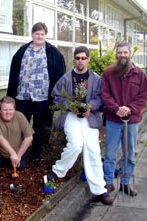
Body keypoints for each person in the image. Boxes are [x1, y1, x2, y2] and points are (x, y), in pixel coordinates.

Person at [47, 46, 114, 205]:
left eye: (83, 58)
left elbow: (101, 98)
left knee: (93, 151)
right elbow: (56, 96)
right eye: (77, 58)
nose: (80, 61)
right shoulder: (66, 78)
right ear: (74, 60)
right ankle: (57, 171)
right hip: (71, 115)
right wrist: (71, 105)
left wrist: (89, 107)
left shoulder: (97, 79)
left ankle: (100, 190)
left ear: (88, 59)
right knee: (76, 145)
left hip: (89, 117)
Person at [7, 22, 66, 164]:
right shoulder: (22, 51)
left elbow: (60, 75)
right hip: (23, 96)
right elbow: (13, 73)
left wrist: (56, 96)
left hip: (43, 98)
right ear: (32, 34)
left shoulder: (53, 53)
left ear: (45, 35)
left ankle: (37, 152)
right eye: (37, 33)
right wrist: (10, 95)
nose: (39, 36)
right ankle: (20, 153)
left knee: (41, 127)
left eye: (42, 34)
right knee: (21, 126)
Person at [102, 42, 147, 196]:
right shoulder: (109, 73)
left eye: (125, 52)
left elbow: (143, 96)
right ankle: (108, 182)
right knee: (110, 153)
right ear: (116, 54)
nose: (122, 55)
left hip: (132, 121)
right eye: (119, 52)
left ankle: (125, 183)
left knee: (129, 153)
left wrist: (129, 108)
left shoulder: (139, 74)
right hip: (113, 121)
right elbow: (105, 94)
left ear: (130, 54)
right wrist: (116, 109)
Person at [0, 96, 34, 170]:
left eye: (10, 109)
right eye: (5, 110)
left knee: (21, 166)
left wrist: (18, 156)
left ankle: (11, 160)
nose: (8, 112)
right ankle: (4, 160)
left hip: (17, 149)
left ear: (14, 109)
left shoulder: (20, 116)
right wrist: (12, 153)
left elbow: (29, 137)